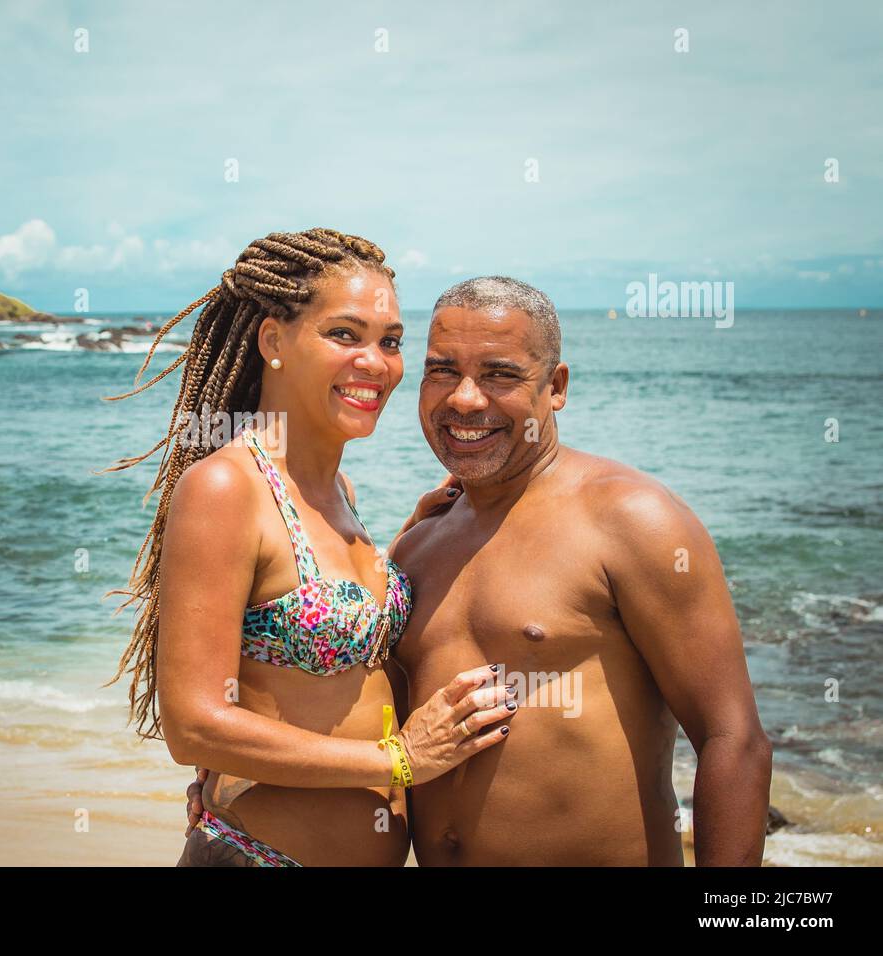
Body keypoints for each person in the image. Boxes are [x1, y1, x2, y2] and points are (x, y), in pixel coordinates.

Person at [189, 275, 773, 866]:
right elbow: (340, 680)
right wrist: (239, 765)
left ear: (556, 386)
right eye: (442, 370)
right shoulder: (418, 548)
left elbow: (733, 741)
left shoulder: (631, 520)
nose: (465, 399)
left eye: (499, 373)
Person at [104, 230, 515, 866]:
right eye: (344, 334)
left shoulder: (338, 491)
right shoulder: (227, 487)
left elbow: (320, 649)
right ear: (274, 342)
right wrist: (402, 759)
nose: (376, 362)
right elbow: (193, 723)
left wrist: (413, 541)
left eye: (391, 341)